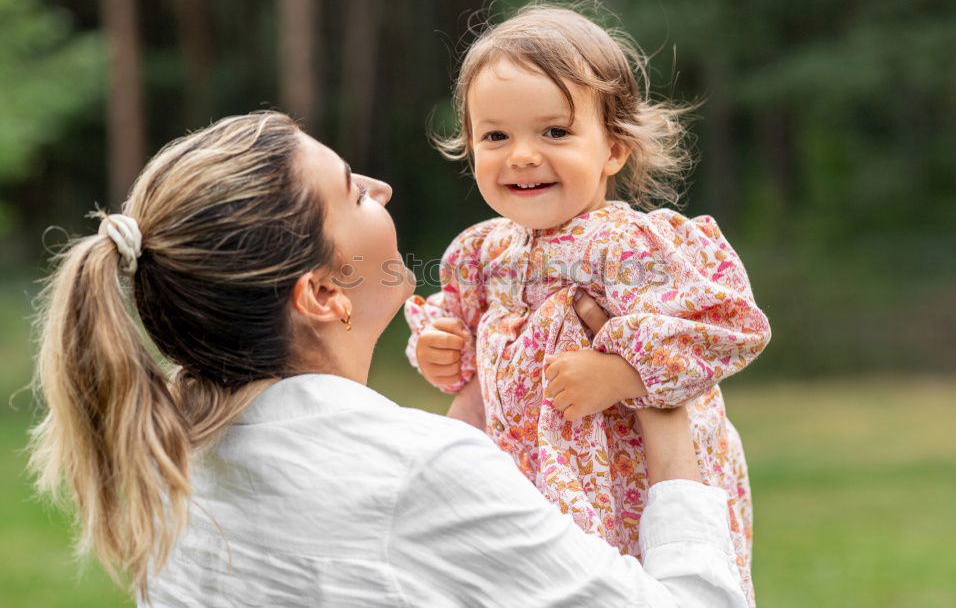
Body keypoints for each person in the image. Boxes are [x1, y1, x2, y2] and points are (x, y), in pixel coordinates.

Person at [29, 111, 749, 607]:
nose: (384, 189)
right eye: (353, 191)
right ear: (321, 293)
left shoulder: (172, 462)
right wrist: (662, 396)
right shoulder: (415, 474)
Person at [405, 2, 771, 605]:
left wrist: (623, 371)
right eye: (495, 136)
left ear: (614, 149)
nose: (521, 154)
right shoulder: (481, 253)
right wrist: (440, 350)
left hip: (629, 480)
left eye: (554, 132)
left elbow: (729, 325)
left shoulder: (630, 246)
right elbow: (464, 337)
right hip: (527, 480)